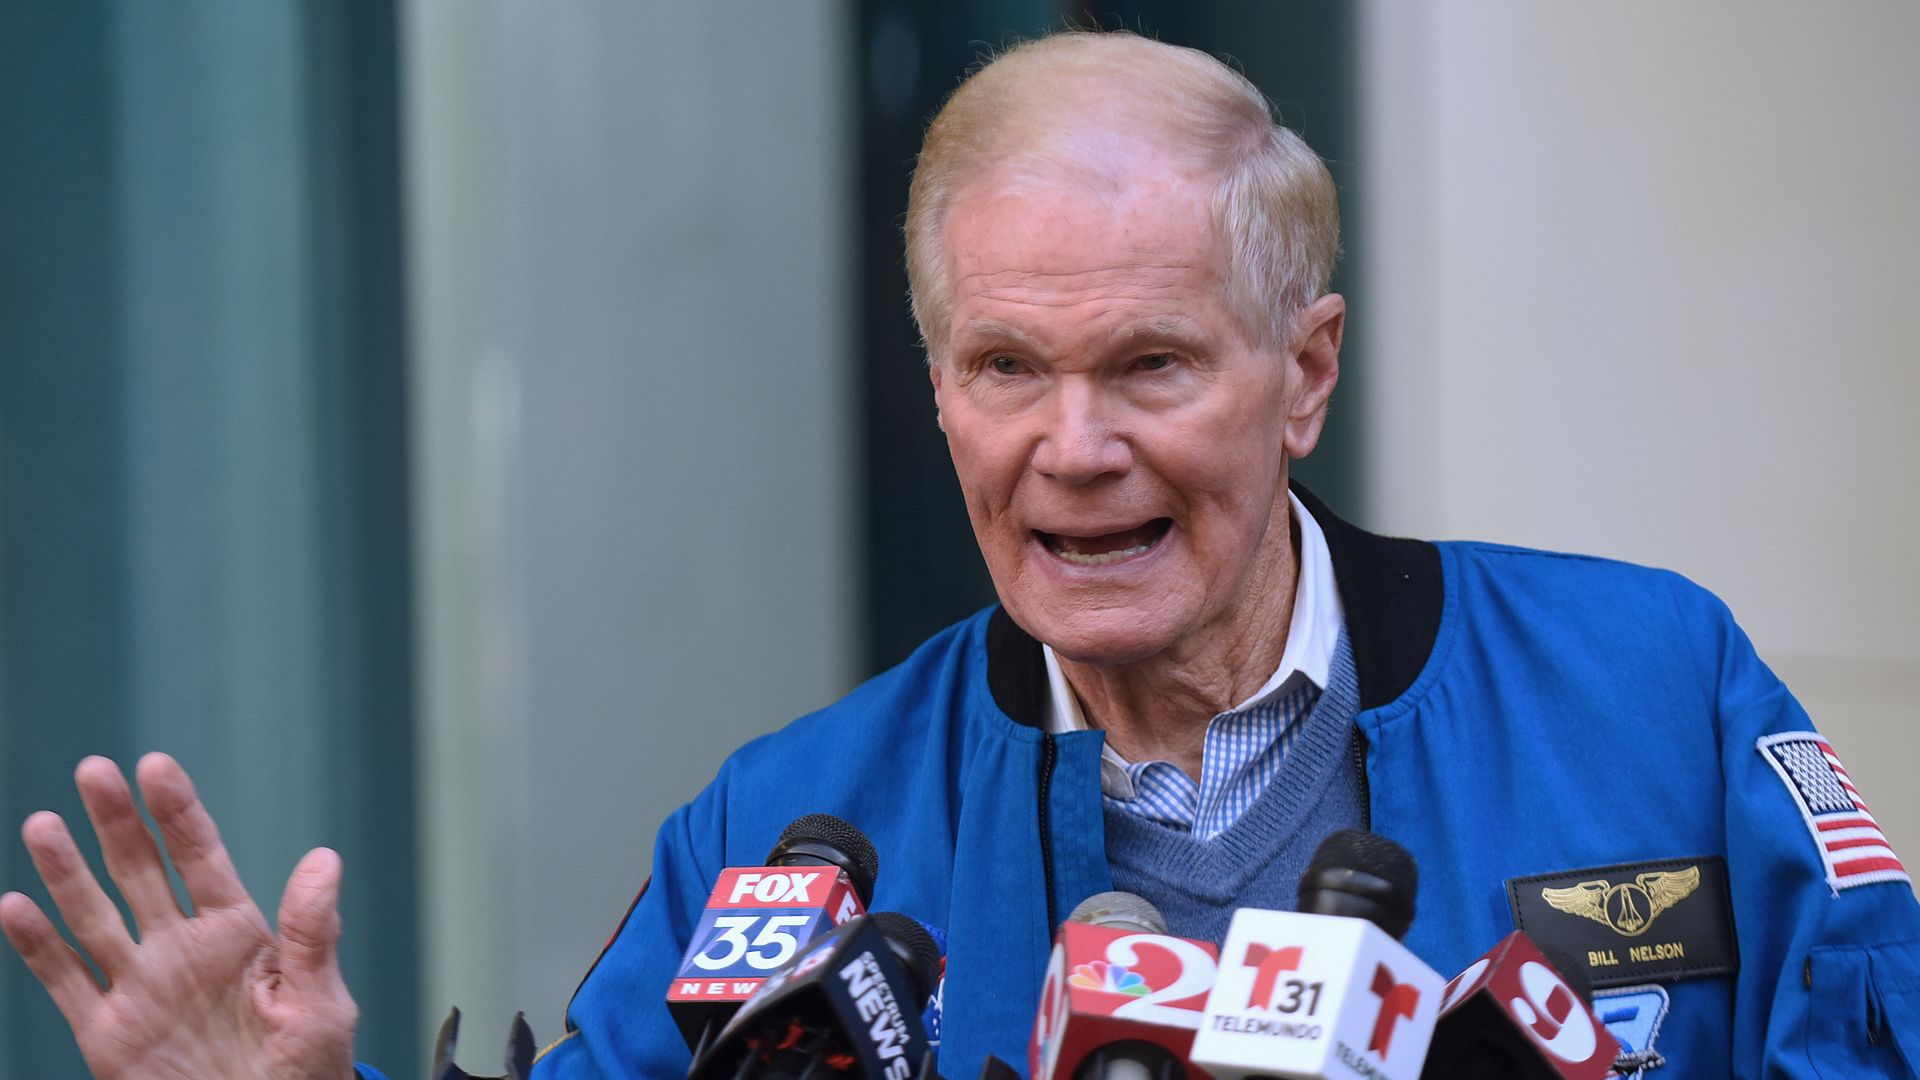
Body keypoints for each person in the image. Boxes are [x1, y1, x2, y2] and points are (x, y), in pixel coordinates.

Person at [6, 29, 1919, 1079]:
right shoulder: (785, 828)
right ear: (938, 389)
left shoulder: (1649, 685)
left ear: (1306, 372)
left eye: (1150, 363)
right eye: (1006, 367)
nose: (1072, 449)